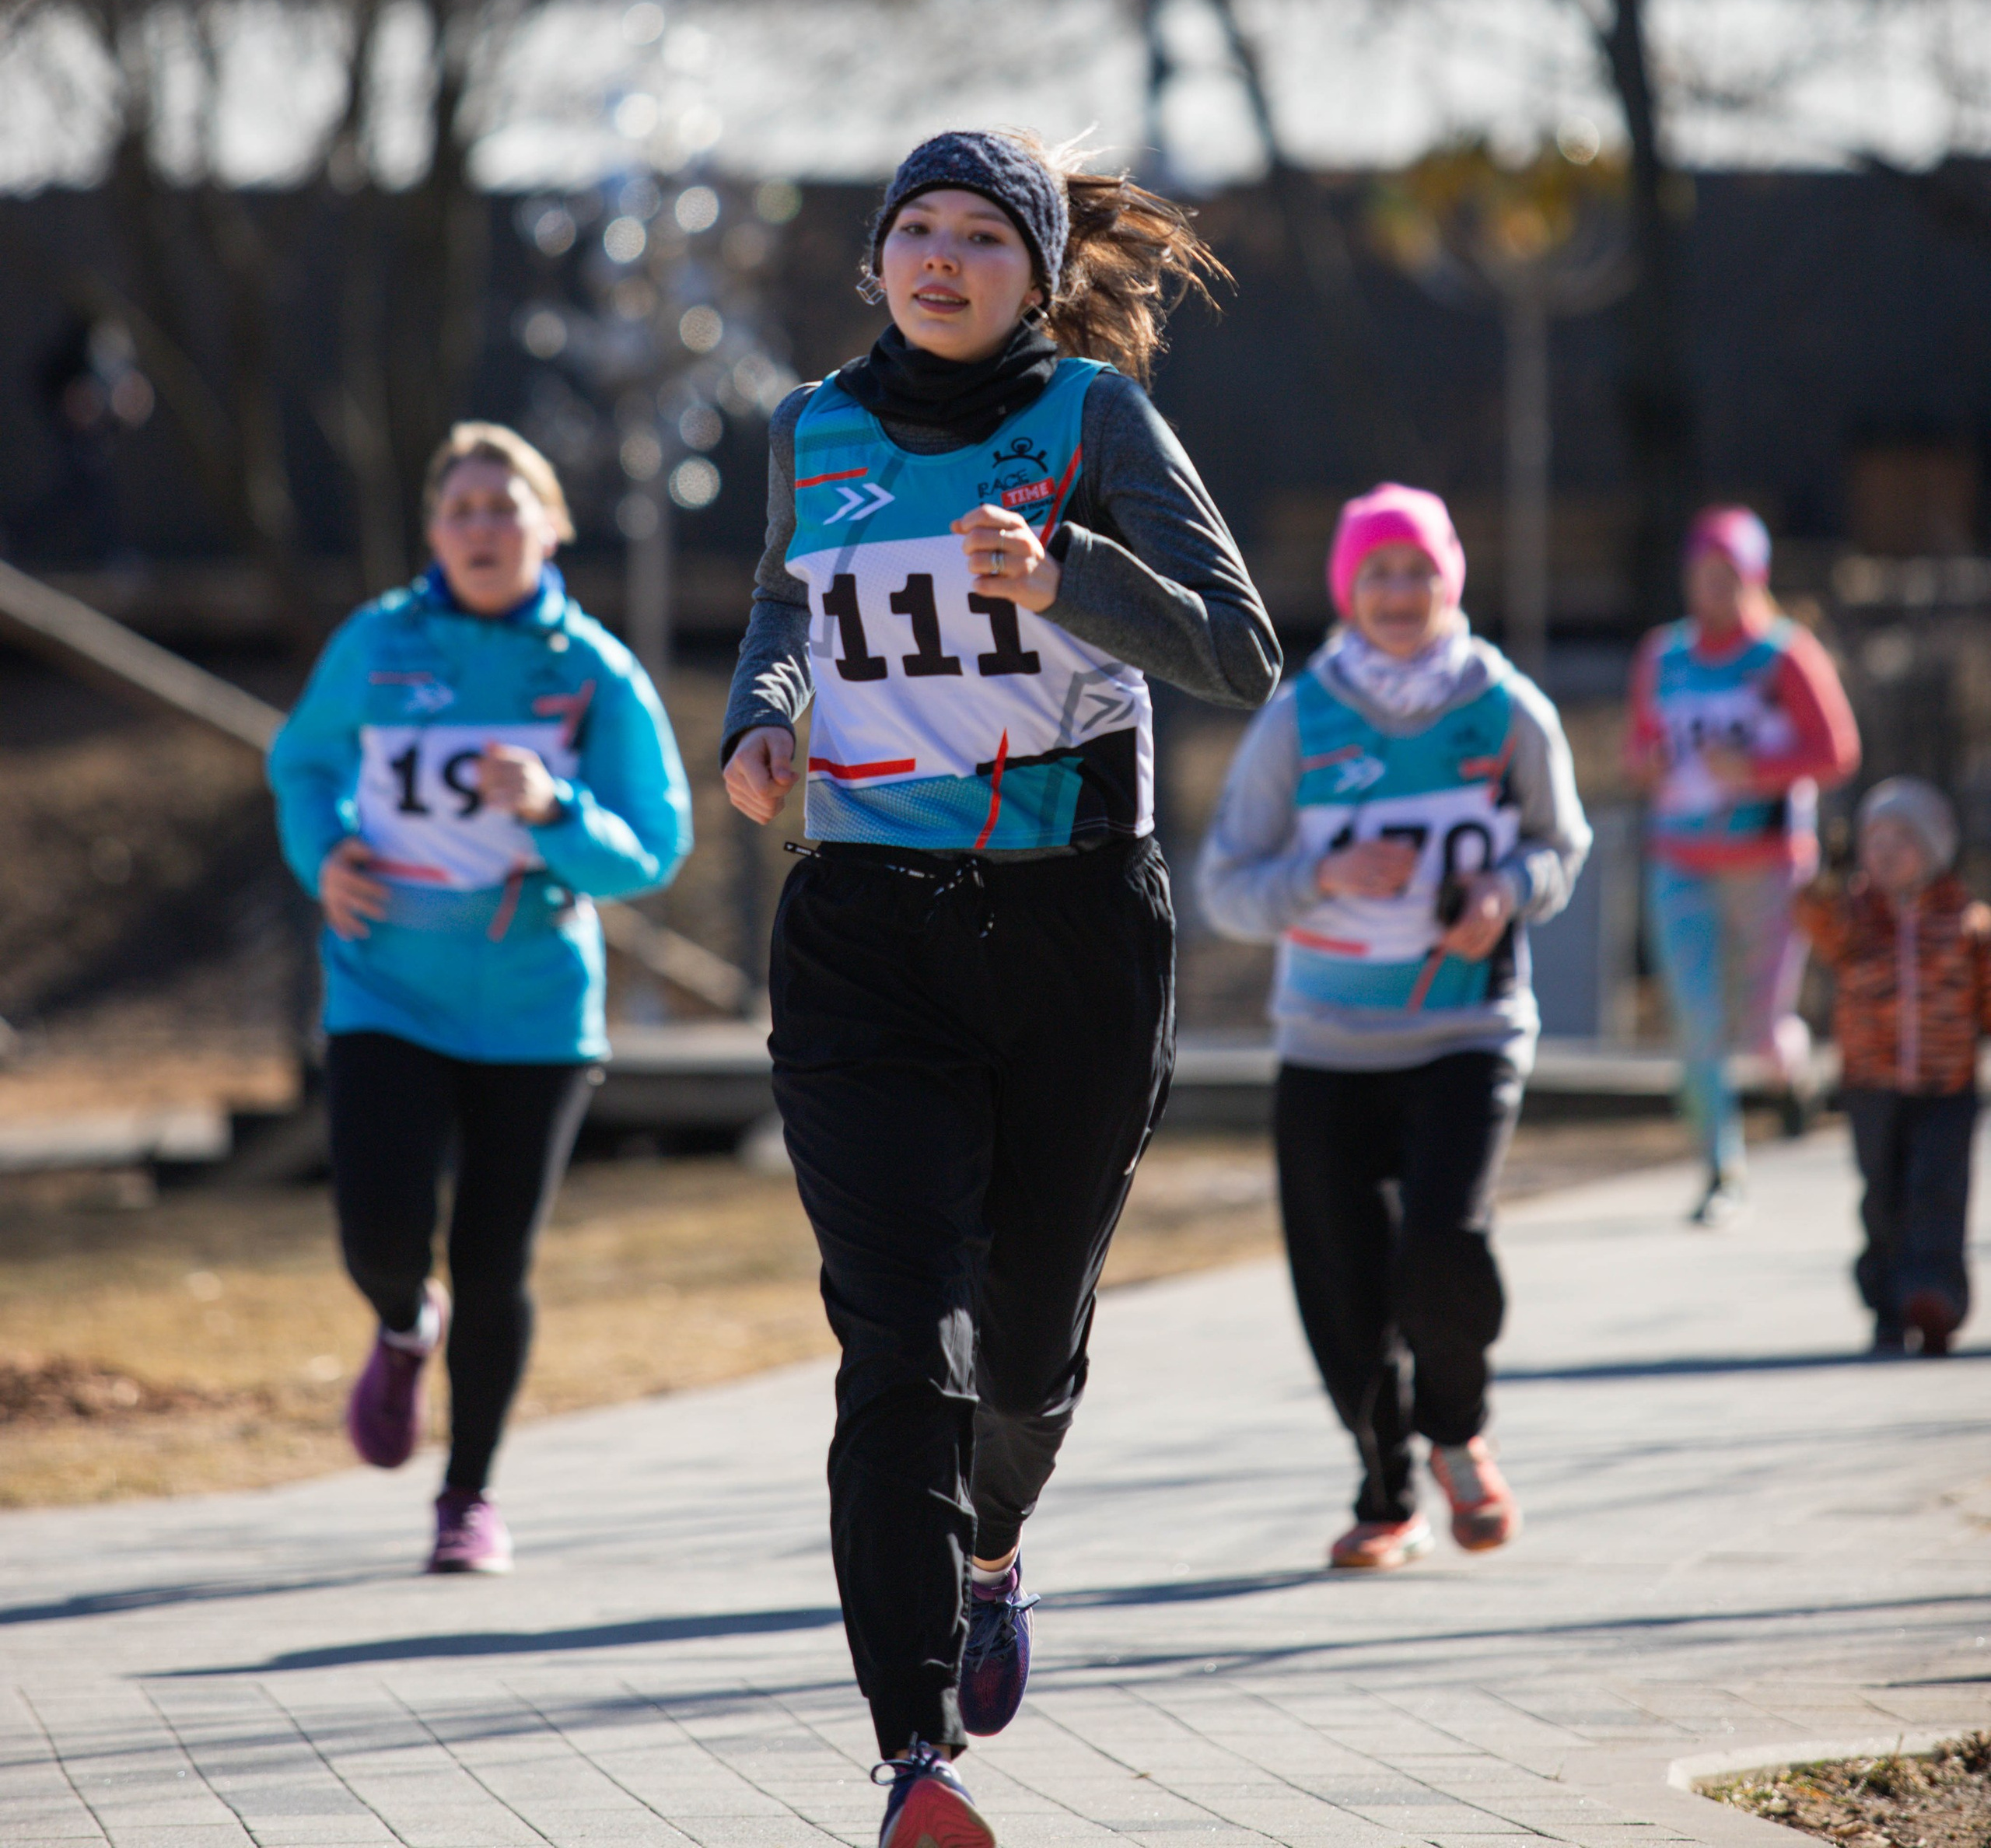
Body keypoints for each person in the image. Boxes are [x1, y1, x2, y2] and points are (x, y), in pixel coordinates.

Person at [722, 128, 1279, 1848]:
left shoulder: (1091, 424)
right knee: (901, 1344)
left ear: (1037, 274)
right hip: (864, 935)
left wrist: (1067, 581)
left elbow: (1239, 652)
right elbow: (785, 601)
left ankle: (991, 1547)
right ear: (876, 259)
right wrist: (762, 713)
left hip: (1070, 940)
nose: (941, 259)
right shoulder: (812, 430)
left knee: (1023, 1350)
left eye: (981, 236)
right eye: (915, 230)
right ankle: (912, 1759)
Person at [269, 421, 691, 1576]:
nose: (483, 530)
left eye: (506, 509)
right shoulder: (377, 643)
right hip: (385, 986)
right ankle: (404, 1327)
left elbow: (650, 850)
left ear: (550, 525)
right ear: (433, 533)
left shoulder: (591, 670)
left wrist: (556, 810)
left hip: (535, 1006)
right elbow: (302, 762)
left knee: (497, 1261)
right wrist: (325, 854)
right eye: (461, 511)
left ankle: (468, 1498)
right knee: (381, 1231)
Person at [1197, 482, 1588, 1574]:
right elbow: (1225, 886)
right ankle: (1386, 1495)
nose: (1401, 592)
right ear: (1347, 590)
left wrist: (1506, 892)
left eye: (1419, 570)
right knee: (1342, 1287)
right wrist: (1323, 875)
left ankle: (1458, 1428)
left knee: (1443, 1250)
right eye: (1378, 573)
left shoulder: (1504, 707)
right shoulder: (1301, 717)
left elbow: (1564, 843)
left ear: (1451, 579)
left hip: (1468, 1029)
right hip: (1327, 1039)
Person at [1625, 506, 1862, 1226]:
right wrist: (1653, 762)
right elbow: (1637, 752)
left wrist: (1756, 769)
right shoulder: (1662, 655)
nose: (1714, 589)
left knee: (1759, 1032)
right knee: (1697, 1025)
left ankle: (1792, 1073)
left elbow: (1836, 751)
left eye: (1728, 575)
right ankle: (1720, 1170)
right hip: (1681, 862)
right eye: (1702, 574)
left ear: (1754, 578)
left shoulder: (1785, 656)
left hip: (1768, 864)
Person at [1793, 778, 1991, 1356]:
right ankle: (1886, 1302)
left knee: (1938, 1191)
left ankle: (1934, 1298)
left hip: (1946, 1086)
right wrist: (1828, 871)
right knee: (1882, 1196)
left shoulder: (1967, 925)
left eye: (1901, 838)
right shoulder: (1854, 919)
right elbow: (1811, 914)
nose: (1884, 851)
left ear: (1933, 848)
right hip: (1870, 1084)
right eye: (1873, 839)